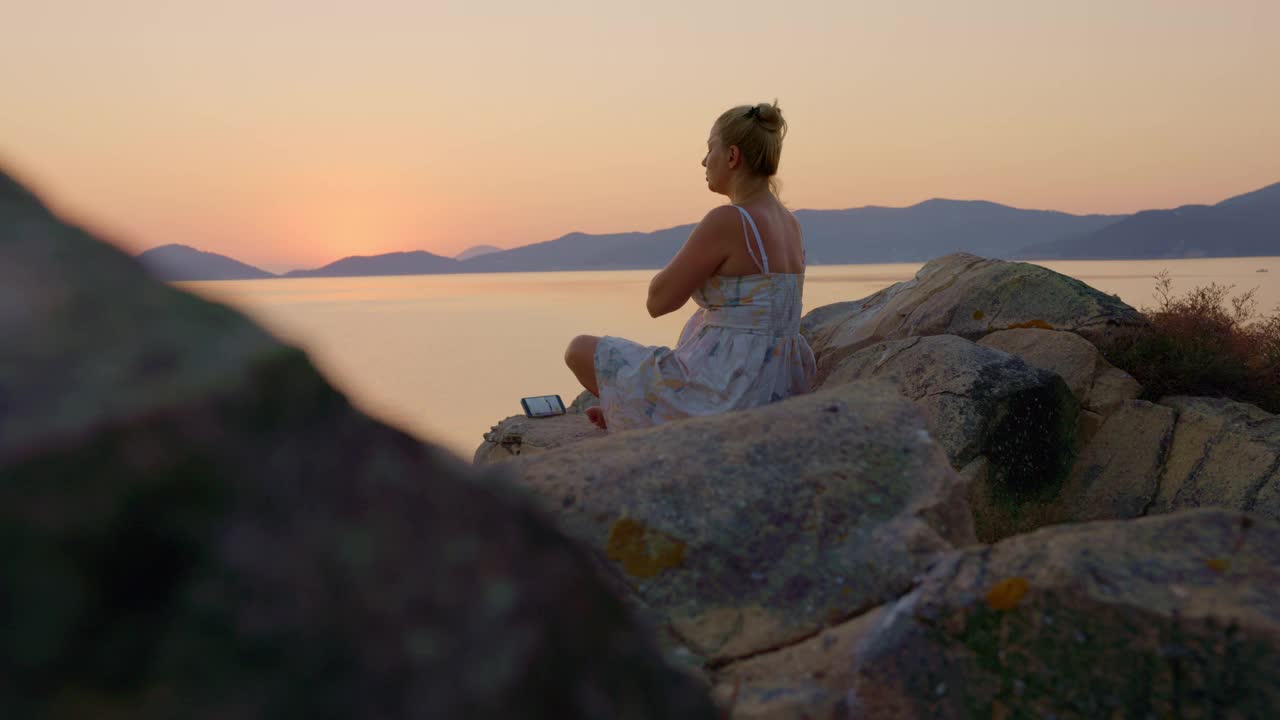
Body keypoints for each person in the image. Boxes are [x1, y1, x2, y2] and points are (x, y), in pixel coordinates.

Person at [564, 101, 816, 431]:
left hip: (729, 391)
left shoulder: (728, 220)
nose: (704, 160)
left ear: (732, 156)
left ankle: (637, 416)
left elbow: (658, 301)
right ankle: (624, 411)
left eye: (711, 148)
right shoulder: (790, 222)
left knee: (579, 349)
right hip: (778, 381)